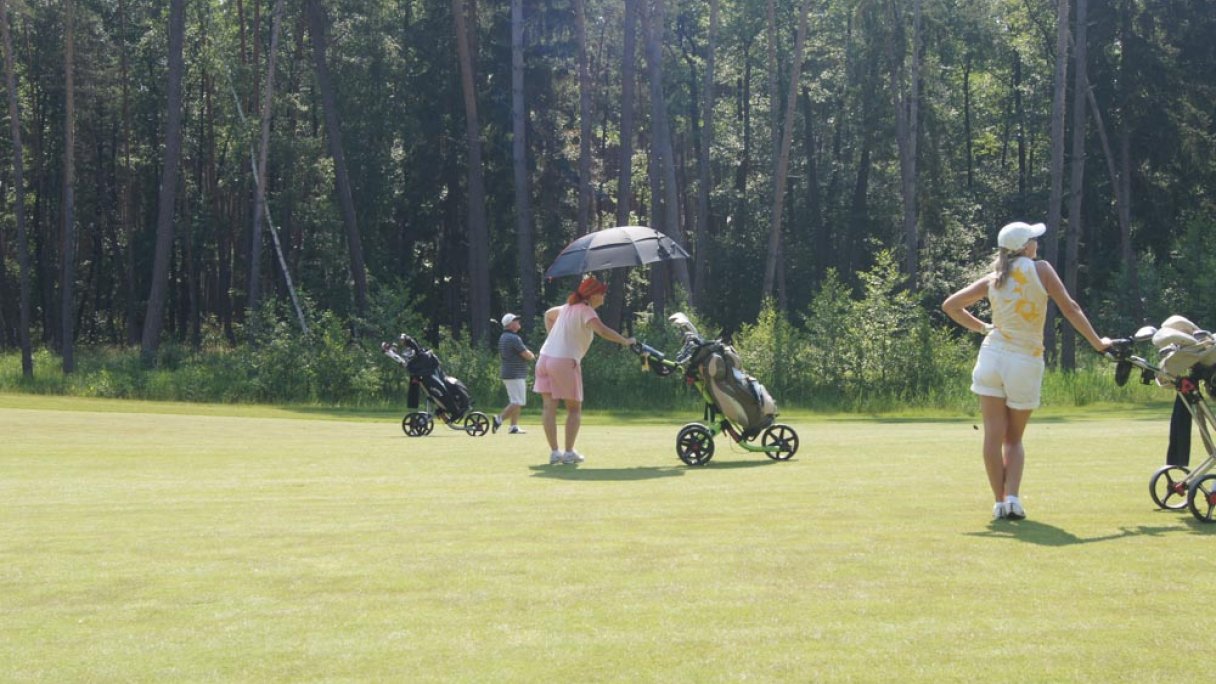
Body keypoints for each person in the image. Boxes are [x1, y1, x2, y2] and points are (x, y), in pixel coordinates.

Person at [943, 221, 1110, 521]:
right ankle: (1013, 500)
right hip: (1025, 360)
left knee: (993, 437)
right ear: (1025, 247)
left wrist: (983, 328)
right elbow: (1070, 308)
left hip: (991, 357)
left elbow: (951, 305)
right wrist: (1098, 343)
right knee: (1013, 439)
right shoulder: (1042, 269)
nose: (1037, 244)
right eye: (1034, 239)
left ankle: (998, 503)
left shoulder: (993, 278)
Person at [534, 275, 635, 465]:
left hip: (544, 358)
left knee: (549, 407)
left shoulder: (567, 308)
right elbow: (603, 331)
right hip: (564, 361)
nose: (603, 297)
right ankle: (569, 453)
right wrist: (625, 341)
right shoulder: (586, 310)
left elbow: (548, 314)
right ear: (593, 295)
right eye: (601, 293)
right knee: (574, 408)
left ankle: (555, 452)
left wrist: (554, 338)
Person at [493, 313, 535, 435]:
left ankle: (513, 427)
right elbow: (526, 354)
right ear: (510, 324)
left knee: (515, 400)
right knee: (518, 401)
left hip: (510, 373)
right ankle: (499, 419)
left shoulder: (504, 337)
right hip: (514, 374)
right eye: (516, 320)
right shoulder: (513, 338)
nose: (518, 322)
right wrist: (532, 355)